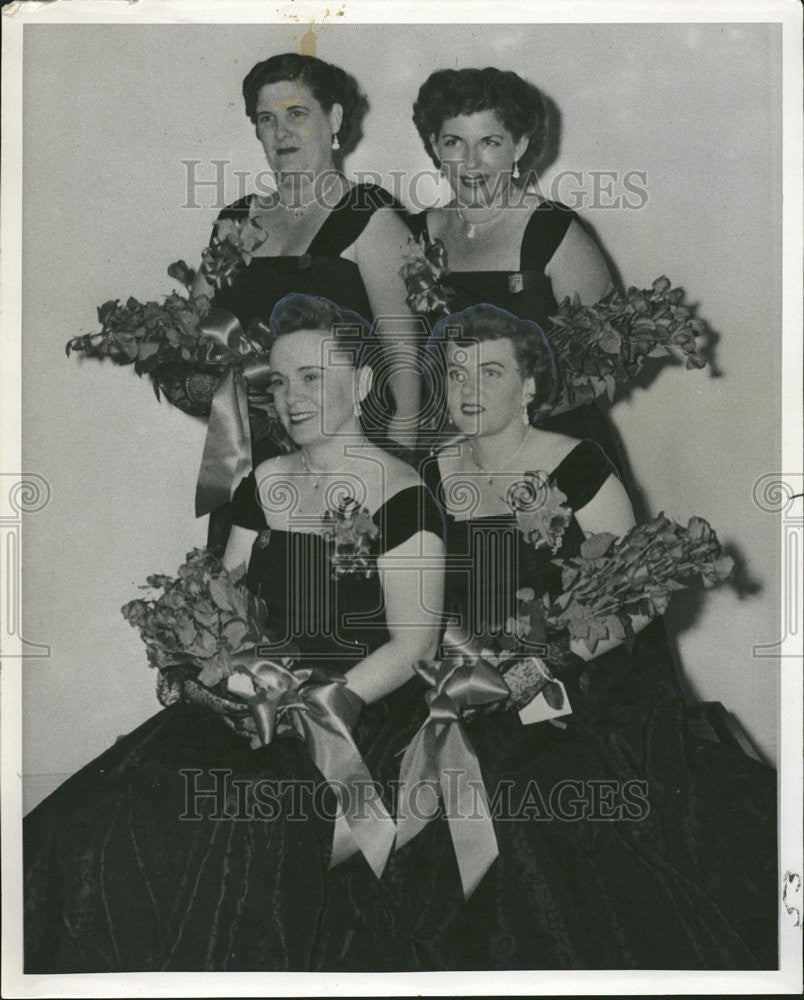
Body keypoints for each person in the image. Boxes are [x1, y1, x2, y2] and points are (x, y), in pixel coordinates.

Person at [316, 304, 777, 971]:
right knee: (371, 779)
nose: (468, 389)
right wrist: (464, 661)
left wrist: (539, 667)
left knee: (516, 785)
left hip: (577, 687)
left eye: (490, 371)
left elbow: (638, 595)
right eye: (455, 373)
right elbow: (424, 601)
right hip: (459, 678)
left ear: (531, 385)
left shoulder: (579, 465)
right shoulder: (429, 478)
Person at [22, 294, 445, 972]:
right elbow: (225, 597)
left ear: (363, 384)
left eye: (312, 376)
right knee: (119, 803)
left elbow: (414, 644)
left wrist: (319, 705)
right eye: (279, 381)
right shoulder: (264, 480)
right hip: (254, 697)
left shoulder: (404, 494)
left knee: (239, 818)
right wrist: (227, 672)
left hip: (359, 711)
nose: (291, 397)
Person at [194, 53, 423, 552]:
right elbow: (197, 335)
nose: (281, 133)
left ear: (334, 119)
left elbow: (407, 362)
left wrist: (395, 472)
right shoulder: (235, 221)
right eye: (266, 118)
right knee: (243, 608)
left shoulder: (372, 217)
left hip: (347, 459)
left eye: (297, 113)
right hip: (248, 454)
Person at [408, 67, 625, 465]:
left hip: (554, 454)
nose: (471, 162)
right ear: (435, 147)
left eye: (490, 142)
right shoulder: (417, 234)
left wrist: (515, 422)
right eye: (454, 142)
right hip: (452, 458)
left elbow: (609, 360)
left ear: (519, 145)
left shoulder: (555, 233)